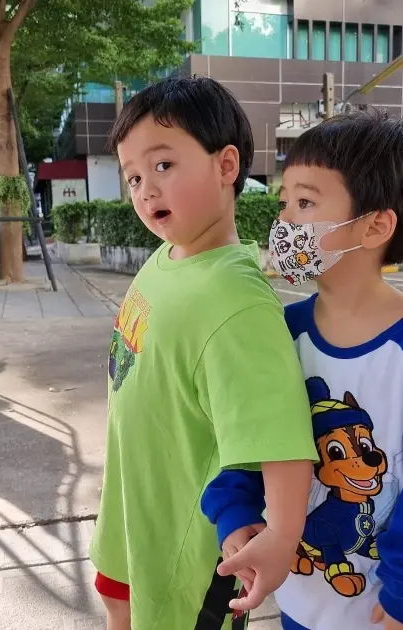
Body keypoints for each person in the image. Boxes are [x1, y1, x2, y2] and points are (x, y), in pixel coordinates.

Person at [89, 75, 317, 630]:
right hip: (132, 513)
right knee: (120, 608)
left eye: (163, 165)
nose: (146, 190)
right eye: (134, 176)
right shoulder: (166, 258)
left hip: (186, 554)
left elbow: (278, 433)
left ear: (226, 165)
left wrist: (282, 536)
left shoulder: (237, 300)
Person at [202, 109, 403, 630]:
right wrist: (234, 515)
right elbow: (244, 440)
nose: (286, 223)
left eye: (306, 202)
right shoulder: (278, 333)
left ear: (376, 225)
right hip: (297, 601)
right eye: (284, 202)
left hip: (381, 612)